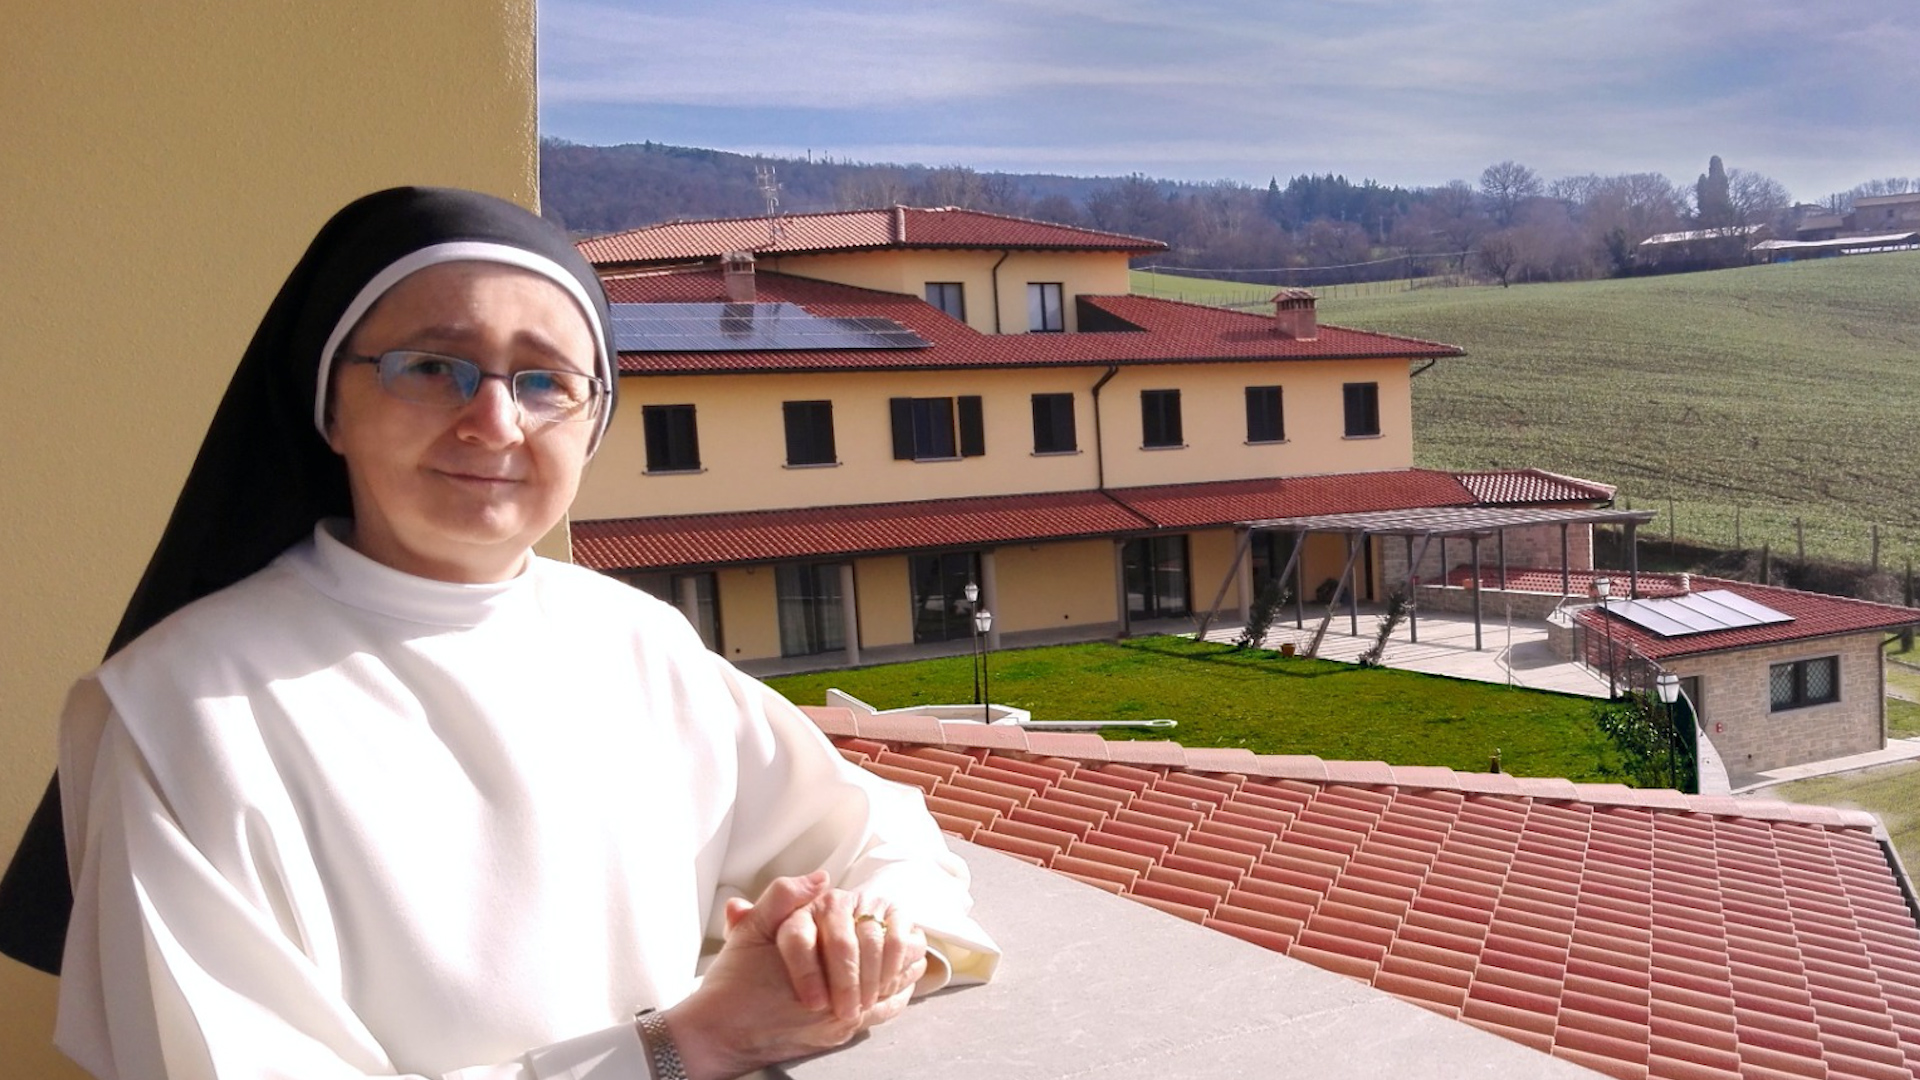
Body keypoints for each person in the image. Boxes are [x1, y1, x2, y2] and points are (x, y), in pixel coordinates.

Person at [6, 187, 997, 1080]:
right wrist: (683, 1045)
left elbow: (877, 837)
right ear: (330, 405)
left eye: (544, 382)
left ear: (593, 424)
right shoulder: (183, 713)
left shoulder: (635, 641)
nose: (494, 421)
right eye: (431, 367)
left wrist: (860, 940)